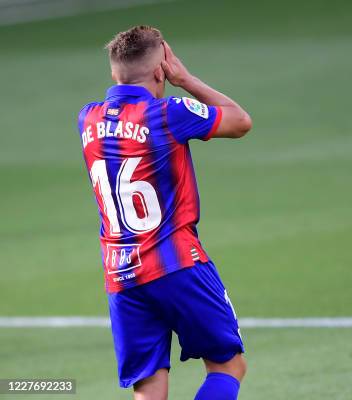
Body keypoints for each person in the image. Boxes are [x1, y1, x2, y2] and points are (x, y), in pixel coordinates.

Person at [77, 25, 252, 400]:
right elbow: (240, 121)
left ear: (113, 73)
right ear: (162, 70)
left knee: (149, 390)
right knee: (228, 365)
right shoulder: (168, 113)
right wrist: (185, 79)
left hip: (121, 276)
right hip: (177, 265)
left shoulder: (87, 120)